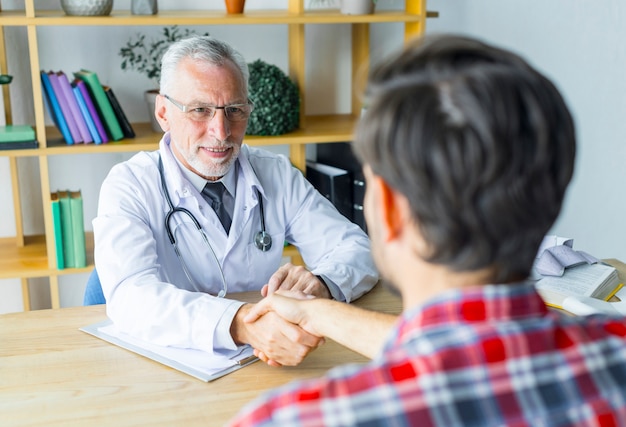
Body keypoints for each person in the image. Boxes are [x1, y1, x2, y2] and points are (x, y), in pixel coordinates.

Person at [228, 34, 626, 426]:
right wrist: (316, 313)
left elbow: (453, 347)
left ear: (386, 205)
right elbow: (471, 344)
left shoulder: (292, 417)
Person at [92, 35, 378, 366]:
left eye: (234, 110)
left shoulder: (276, 174)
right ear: (163, 112)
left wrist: (321, 284)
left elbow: (357, 249)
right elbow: (130, 298)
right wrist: (240, 323)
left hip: (267, 362)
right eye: (200, 110)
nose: (221, 131)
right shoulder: (129, 185)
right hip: (172, 368)